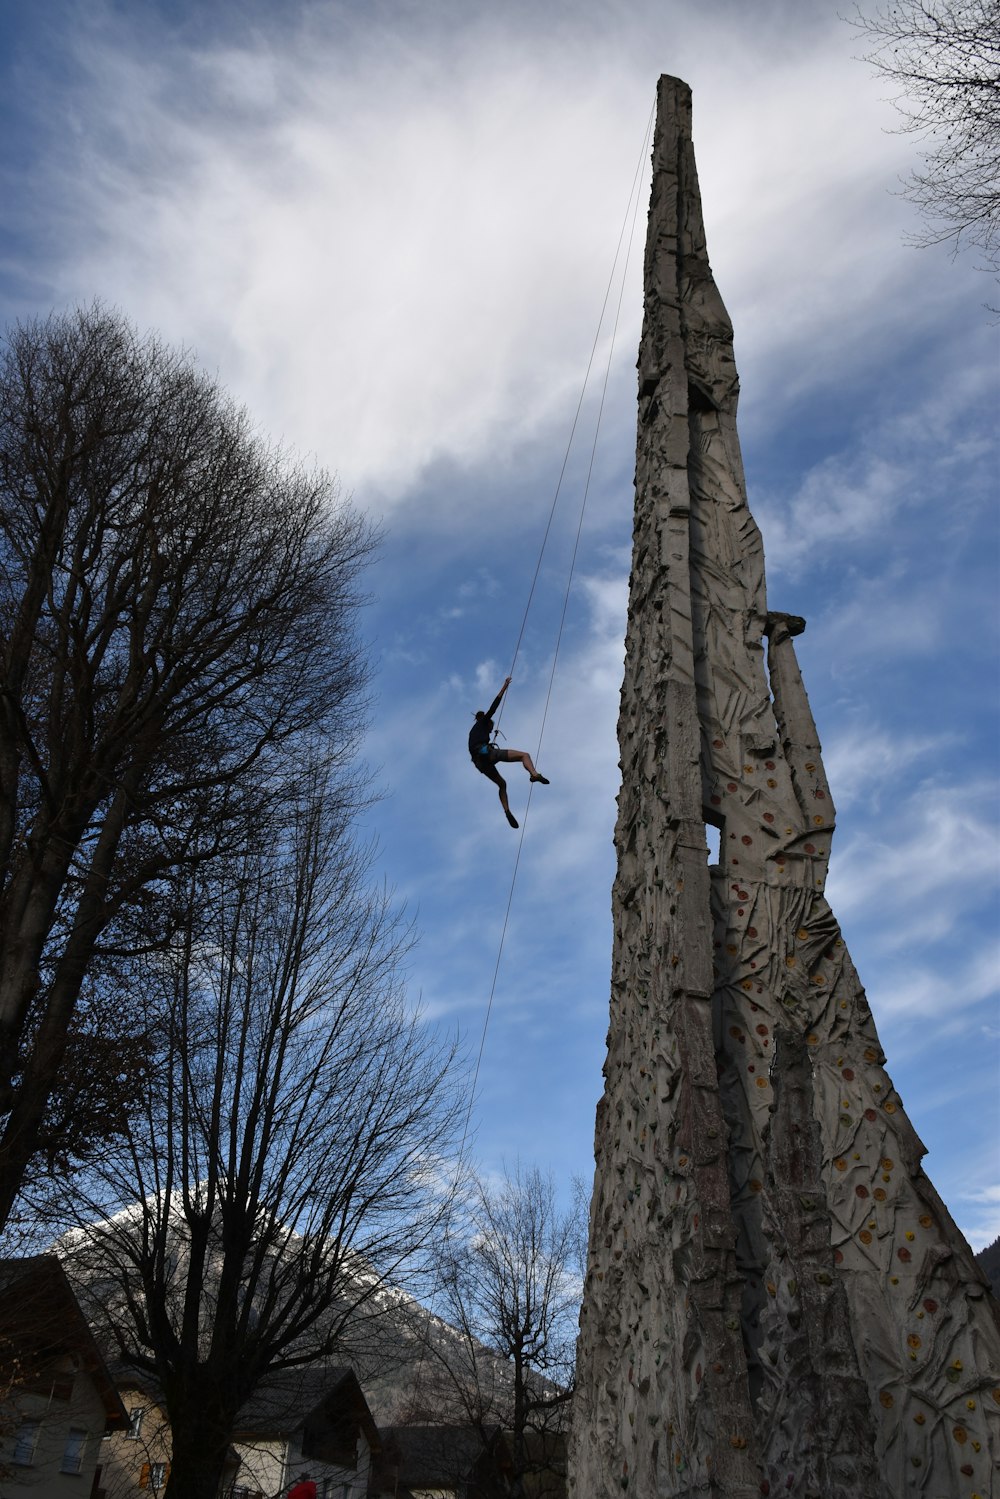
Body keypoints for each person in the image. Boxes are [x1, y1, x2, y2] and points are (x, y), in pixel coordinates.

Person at [469, 676, 549, 828]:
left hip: (480, 763)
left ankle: (507, 811)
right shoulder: (484, 721)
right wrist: (504, 687)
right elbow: (494, 706)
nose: (491, 730)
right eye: (491, 728)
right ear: (486, 723)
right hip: (485, 753)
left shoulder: (473, 731)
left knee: (502, 784)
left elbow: (474, 747)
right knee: (524, 755)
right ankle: (534, 774)